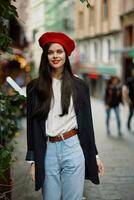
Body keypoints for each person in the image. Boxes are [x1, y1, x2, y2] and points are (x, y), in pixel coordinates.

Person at [26, 32, 104, 200]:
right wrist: (33, 161)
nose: (55, 56)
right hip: (47, 150)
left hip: (73, 146)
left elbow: (87, 124)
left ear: (66, 55)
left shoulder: (79, 86)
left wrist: (94, 155)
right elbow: (31, 127)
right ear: (45, 55)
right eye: (50, 52)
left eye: (59, 52)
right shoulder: (34, 87)